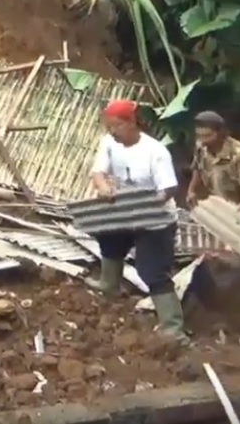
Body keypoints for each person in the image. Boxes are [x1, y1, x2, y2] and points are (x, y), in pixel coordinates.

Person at [88, 99, 188, 344]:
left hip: (156, 217)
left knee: (152, 270)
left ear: (132, 122)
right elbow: (98, 172)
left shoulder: (155, 151)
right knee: (109, 238)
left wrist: (147, 204)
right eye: (108, 127)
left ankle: (174, 329)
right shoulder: (109, 143)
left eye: (117, 126)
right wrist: (103, 188)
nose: (112, 132)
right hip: (125, 208)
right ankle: (109, 284)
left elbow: (169, 188)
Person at [187, 111, 240, 216]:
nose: (203, 140)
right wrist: (192, 190)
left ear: (220, 133)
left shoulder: (239, 152)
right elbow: (198, 167)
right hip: (221, 200)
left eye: (208, 136)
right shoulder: (201, 145)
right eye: (200, 136)